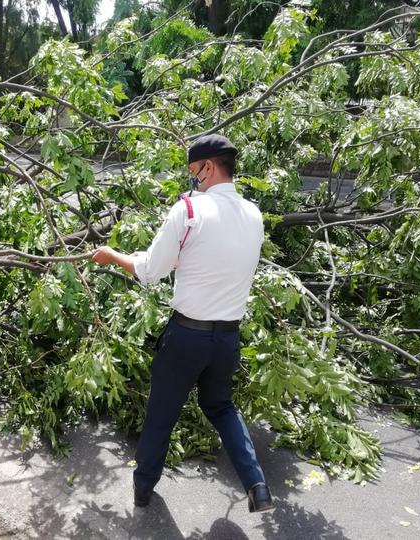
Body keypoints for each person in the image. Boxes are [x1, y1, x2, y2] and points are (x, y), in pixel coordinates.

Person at [91, 134, 273, 512]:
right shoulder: (253, 215)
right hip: (227, 338)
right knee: (221, 406)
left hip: (187, 334)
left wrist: (113, 256)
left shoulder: (189, 211)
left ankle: (143, 490)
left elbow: (150, 270)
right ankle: (257, 486)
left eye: (193, 171)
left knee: (162, 411)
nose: (193, 179)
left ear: (207, 166)